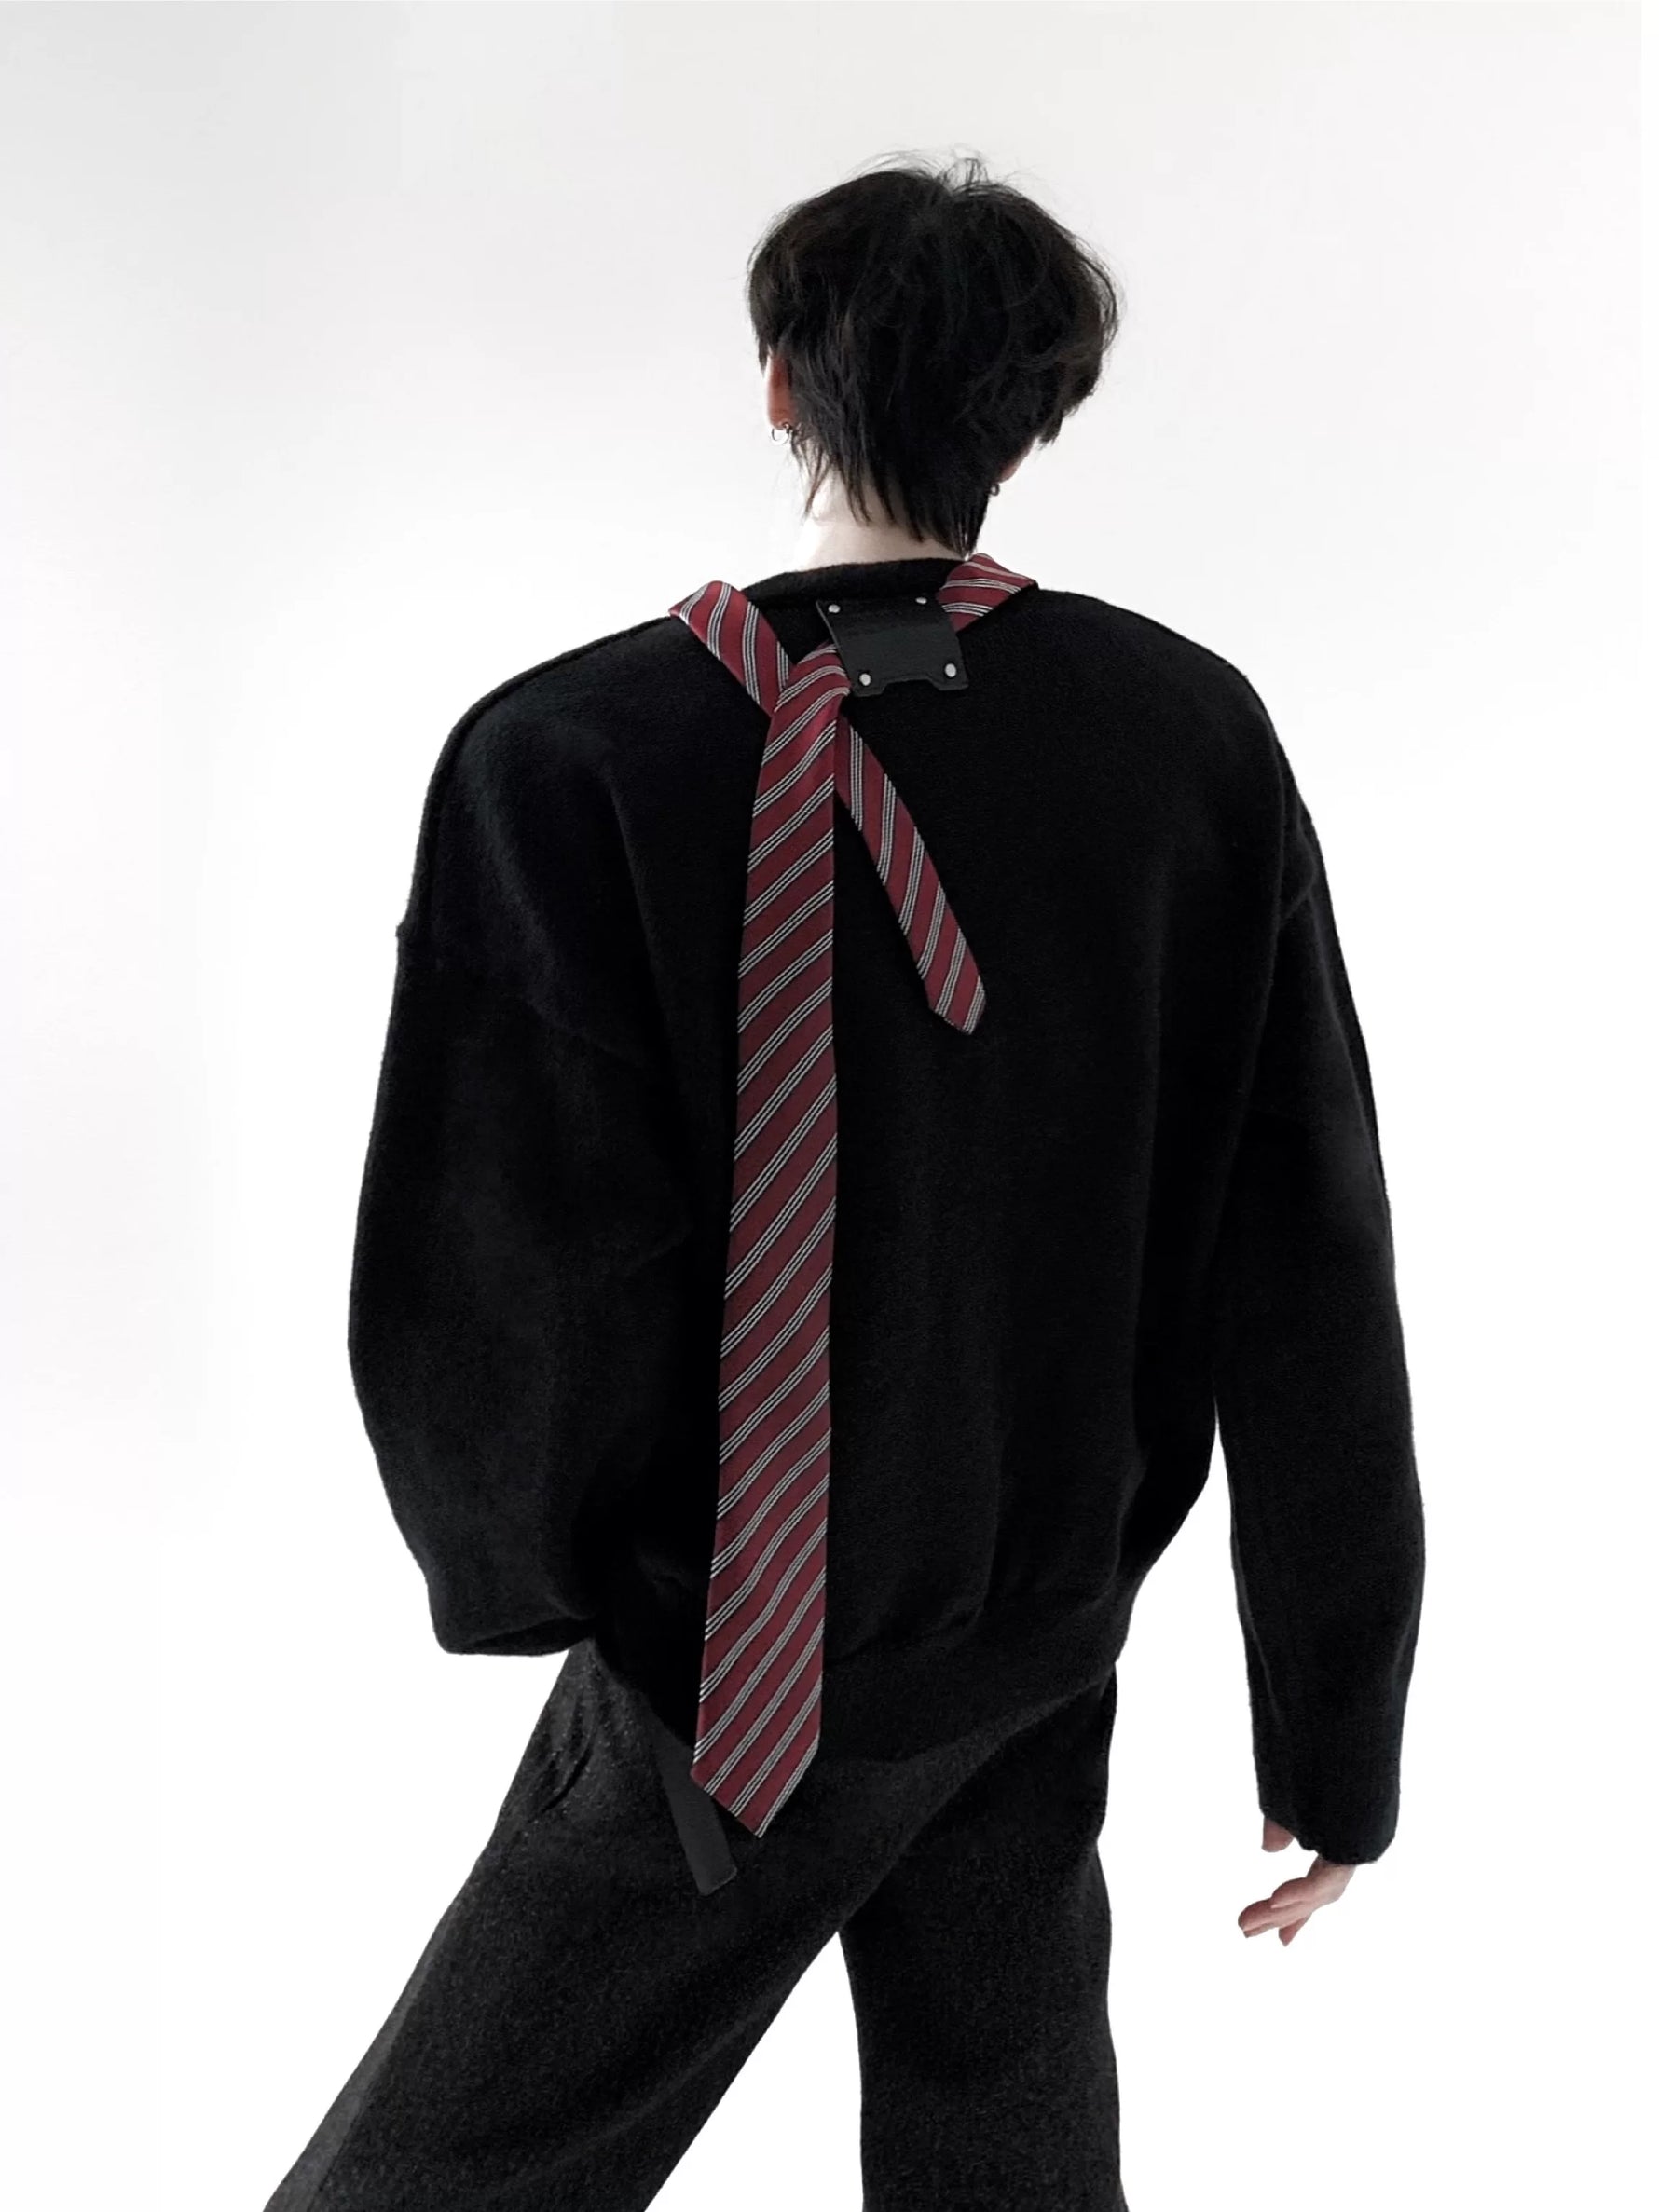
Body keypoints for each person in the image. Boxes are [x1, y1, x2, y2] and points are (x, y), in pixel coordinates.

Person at [263, 151, 1426, 2212]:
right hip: (1032, 1635)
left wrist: (563, 1584)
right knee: (1009, 2157)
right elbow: (1305, 1252)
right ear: (1034, 417)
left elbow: (482, 1269)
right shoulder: (1185, 743)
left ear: (779, 385)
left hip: (731, 1675)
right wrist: (1329, 1728)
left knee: (438, 2172)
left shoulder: (563, 755)